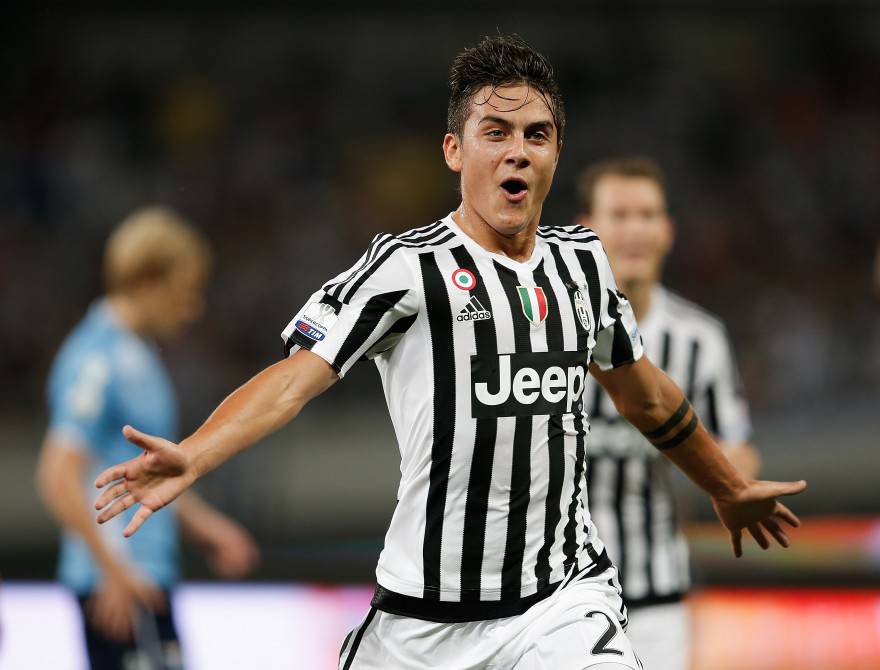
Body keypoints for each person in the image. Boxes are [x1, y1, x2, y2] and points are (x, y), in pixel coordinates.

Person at [91, 37, 805, 670]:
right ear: (454, 150)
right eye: (495, 132)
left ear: (557, 153)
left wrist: (725, 485)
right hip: (422, 624)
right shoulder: (404, 268)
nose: (518, 150)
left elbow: (644, 394)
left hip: (560, 601)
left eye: (538, 134)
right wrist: (197, 452)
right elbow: (291, 383)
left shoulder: (584, 265)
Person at [36, 207, 260, 670]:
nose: (192, 307)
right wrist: (111, 571)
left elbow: (145, 477)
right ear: (149, 282)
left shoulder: (136, 356)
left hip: (142, 578)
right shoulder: (97, 357)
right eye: (185, 292)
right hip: (121, 584)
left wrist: (206, 527)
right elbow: (57, 475)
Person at [574, 157, 760, 670]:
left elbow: (735, 448)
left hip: (658, 597)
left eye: (647, 214)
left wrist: (735, 485)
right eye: (620, 215)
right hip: (559, 599)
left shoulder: (700, 340)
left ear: (668, 231)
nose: (635, 229)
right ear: (587, 229)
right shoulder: (552, 329)